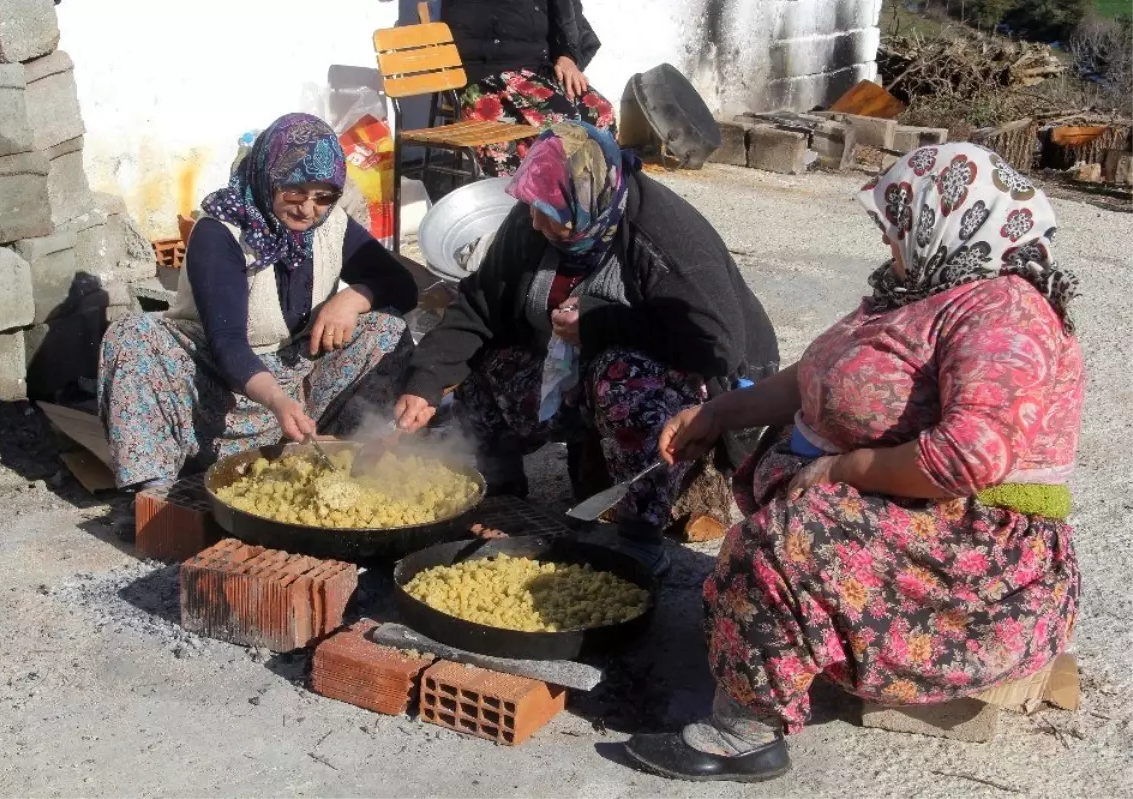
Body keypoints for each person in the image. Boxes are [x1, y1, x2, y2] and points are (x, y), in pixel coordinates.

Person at [624, 143, 1083, 781]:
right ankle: (793, 637)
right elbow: (822, 376)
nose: (889, 239)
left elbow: (973, 455)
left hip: (980, 556)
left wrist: (843, 472)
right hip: (920, 509)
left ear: (950, 220)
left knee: (782, 547)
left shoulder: (1004, 312)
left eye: (897, 224)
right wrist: (721, 413)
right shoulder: (923, 285)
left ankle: (744, 733)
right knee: (779, 542)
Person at [393, 122, 779, 576]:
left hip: (693, 377)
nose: (535, 222)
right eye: (533, 209)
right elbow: (481, 304)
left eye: (549, 214)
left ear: (588, 201)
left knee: (622, 377)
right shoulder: (539, 211)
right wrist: (426, 382)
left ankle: (640, 534)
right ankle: (500, 488)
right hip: (580, 360)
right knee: (488, 364)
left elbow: (714, 345)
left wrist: (600, 322)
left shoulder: (665, 237)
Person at [98, 113, 419, 489]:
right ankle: (157, 491)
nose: (307, 209)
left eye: (323, 197)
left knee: (387, 330)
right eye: (294, 192)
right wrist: (280, 402)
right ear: (269, 178)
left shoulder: (331, 224)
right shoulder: (220, 232)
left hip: (295, 375)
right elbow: (227, 341)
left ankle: (346, 455)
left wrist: (352, 297)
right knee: (132, 337)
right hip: (215, 379)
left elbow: (403, 286)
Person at [441, 0, 616, 176]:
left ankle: (592, 195)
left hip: (538, 71)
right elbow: (471, 36)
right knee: (562, 123)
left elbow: (566, 17)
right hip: (486, 75)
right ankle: (537, 193)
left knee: (601, 112)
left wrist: (567, 56)